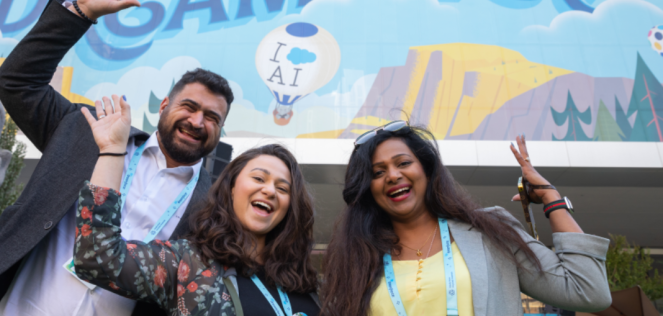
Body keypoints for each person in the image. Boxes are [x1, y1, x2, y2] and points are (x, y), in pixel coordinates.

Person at [0, 0, 234, 316]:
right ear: (164, 105)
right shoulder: (84, 132)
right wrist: (81, 13)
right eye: (189, 107)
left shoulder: (214, 206)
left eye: (212, 117)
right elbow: (16, 82)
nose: (197, 121)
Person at [321, 121, 613, 316]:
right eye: (378, 172)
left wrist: (552, 199)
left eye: (403, 163)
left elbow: (588, 291)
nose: (393, 175)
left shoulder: (489, 232)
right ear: (368, 189)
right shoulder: (357, 258)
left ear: (427, 168)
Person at [72, 95, 320, 316]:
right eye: (258, 178)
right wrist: (111, 150)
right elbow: (97, 257)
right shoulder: (187, 262)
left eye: (283, 188)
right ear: (232, 188)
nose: (269, 190)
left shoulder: (305, 284)